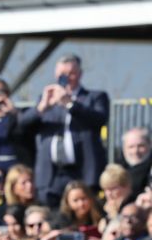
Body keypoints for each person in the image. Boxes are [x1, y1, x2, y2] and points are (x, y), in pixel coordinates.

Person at [18, 54, 110, 207]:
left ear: (80, 74)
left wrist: (70, 103)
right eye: (62, 74)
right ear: (55, 75)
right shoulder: (46, 99)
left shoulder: (94, 97)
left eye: (71, 73)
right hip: (51, 174)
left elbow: (99, 119)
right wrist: (42, 107)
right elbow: (23, 126)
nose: (67, 78)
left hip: (82, 170)